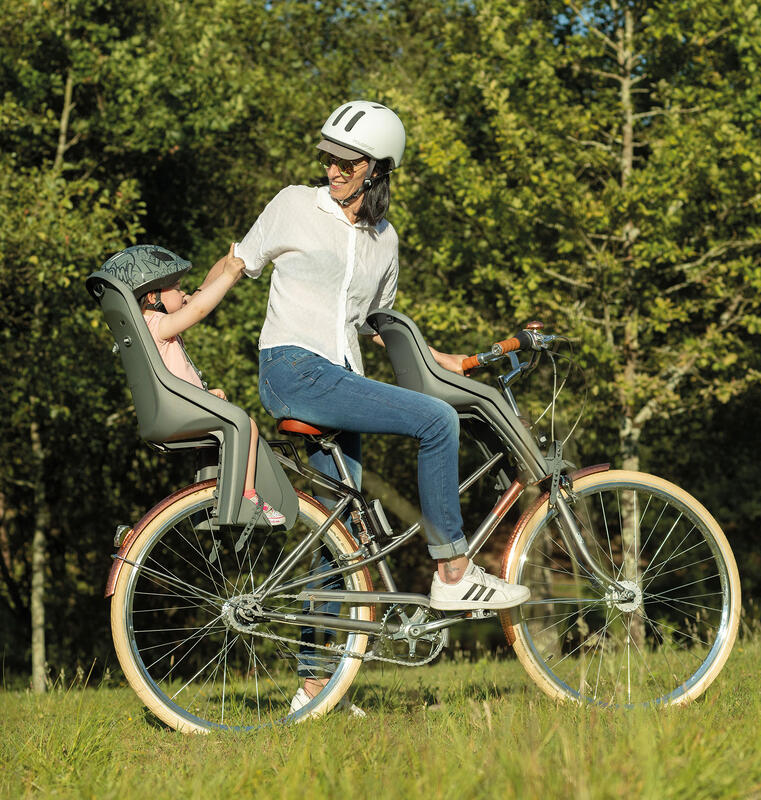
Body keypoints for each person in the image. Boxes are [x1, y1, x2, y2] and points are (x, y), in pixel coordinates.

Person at [200, 100, 530, 709]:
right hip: (294, 370)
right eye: (329, 158)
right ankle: (454, 572)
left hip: (340, 378)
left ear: (377, 168)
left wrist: (445, 358)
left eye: (347, 162)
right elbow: (234, 263)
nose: (333, 170)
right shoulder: (295, 204)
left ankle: (312, 688)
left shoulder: (384, 239)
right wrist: (177, 321)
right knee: (436, 421)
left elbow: (378, 324)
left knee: (339, 538)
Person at [99, 243, 285, 526]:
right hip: (177, 410)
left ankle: (210, 503)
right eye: (176, 287)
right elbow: (197, 309)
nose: (183, 292)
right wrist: (227, 276)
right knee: (244, 423)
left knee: (223, 429)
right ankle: (247, 496)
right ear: (152, 296)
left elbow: (172, 372)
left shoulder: (142, 328)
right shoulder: (158, 323)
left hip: (172, 408)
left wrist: (203, 394)